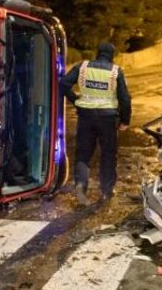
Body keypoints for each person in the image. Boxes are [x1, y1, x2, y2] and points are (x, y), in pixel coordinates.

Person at [59, 42, 131, 205]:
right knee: (108, 154)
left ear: (97, 53)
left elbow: (63, 83)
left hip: (86, 116)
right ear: (112, 55)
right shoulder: (115, 71)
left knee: (83, 153)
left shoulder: (82, 67)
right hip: (107, 119)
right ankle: (106, 191)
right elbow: (125, 99)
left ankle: (80, 184)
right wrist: (125, 121)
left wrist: (74, 100)